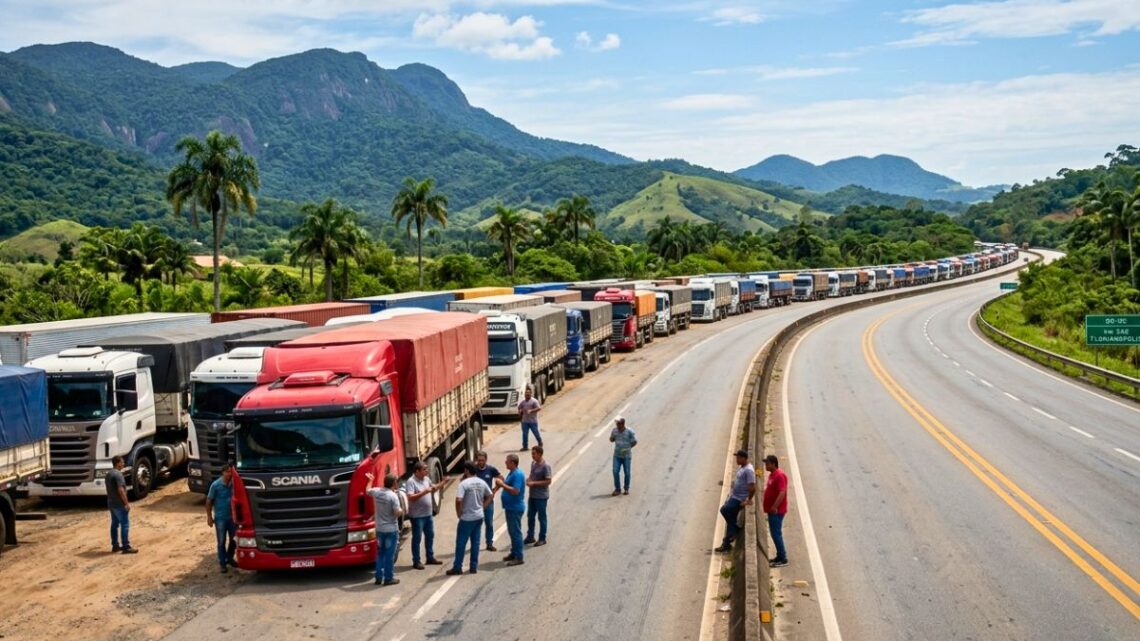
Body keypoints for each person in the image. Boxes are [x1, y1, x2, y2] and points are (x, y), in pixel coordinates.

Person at [447, 461, 494, 576]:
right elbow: (490, 495)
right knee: (475, 542)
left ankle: (458, 567)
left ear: (467, 471)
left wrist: (459, 513)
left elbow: (458, 500)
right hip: (478, 516)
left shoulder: (464, 484)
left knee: (461, 543)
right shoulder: (481, 482)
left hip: (467, 518)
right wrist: (483, 507)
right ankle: (473, 566)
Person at [402, 462, 449, 569]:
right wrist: (423, 492)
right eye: (424, 469)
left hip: (428, 514)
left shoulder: (426, 479)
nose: (427, 471)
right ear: (417, 471)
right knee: (417, 538)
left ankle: (430, 557)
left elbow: (434, 488)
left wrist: (443, 482)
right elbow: (410, 497)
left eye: (427, 469)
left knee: (430, 536)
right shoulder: (411, 482)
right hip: (417, 516)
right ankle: (416, 561)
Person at [715, 449, 756, 553]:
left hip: (739, 499)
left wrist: (748, 500)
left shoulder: (749, 470)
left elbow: (752, 487)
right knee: (730, 521)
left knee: (724, 510)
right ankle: (726, 544)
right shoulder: (742, 467)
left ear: (743, 458)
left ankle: (735, 530)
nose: (736, 459)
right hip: (734, 496)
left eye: (738, 457)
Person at [366, 471, 403, 586]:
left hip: (379, 529)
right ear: (394, 483)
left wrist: (370, 480)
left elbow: (367, 491)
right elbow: (397, 513)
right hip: (391, 530)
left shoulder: (377, 492)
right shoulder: (393, 496)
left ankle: (378, 577)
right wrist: (402, 510)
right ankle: (388, 578)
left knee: (380, 553)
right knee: (389, 555)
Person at [494, 453, 526, 566]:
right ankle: (514, 552)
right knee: (512, 532)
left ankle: (519, 556)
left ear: (513, 463)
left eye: (507, 461)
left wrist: (502, 484)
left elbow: (515, 491)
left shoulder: (517, 474)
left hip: (515, 507)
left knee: (515, 532)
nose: (505, 462)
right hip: (510, 507)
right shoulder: (512, 473)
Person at [206, 462, 236, 572]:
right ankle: (222, 563)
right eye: (228, 472)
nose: (230, 474)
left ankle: (229, 557)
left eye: (231, 472)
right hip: (220, 518)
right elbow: (209, 501)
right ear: (223, 472)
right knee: (221, 541)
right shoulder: (216, 485)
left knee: (234, 540)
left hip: (232, 518)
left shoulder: (234, 484)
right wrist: (209, 517)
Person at [106, 455, 137, 554]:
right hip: (119, 504)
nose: (123, 464)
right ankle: (126, 546)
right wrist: (126, 503)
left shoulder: (109, 474)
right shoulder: (118, 475)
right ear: (117, 463)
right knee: (125, 524)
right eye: (122, 462)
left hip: (111, 503)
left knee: (114, 524)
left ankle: (115, 545)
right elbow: (121, 490)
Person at [762, 454, 789, 567]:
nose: (765, 466)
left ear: (773, 464)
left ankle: (783, 558)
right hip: (771, 510)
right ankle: (779, 555)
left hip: (777, 511)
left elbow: (782, 492)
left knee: (776, 534)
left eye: (767, 464)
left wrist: (774, 506)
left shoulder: (779, 476)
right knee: (774, 533)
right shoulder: (772, 475)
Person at [524, 445, 553, 546]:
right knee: (530, 516)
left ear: (540, 454)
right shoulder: (533, 464)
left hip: (541, 496)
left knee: (541, 517)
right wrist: (528, 480)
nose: (532, 456)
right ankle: (530, 536)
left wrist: (534, 483)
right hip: (532, 495)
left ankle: (542, 538)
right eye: (532, 453)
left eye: (534, 454)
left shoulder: (545, 466)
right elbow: (532, 475)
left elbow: (548, 481)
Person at [473, 451, 502, 552]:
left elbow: (501, 478)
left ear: (486, 460)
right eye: (479, 460)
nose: (480, 462)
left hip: (488, 501)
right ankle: (474, 544)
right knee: (476, 524)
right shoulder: (473, 469)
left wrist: (494, 490)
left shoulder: (491, 469)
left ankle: (489, 543)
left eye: (482, 460)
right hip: (476, 502)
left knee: (489, 523)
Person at [609, 416, 637, 496]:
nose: (617, 425)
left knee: (627, 473)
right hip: (617, 455)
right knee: (615, 471)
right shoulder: (614, 431)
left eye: (619, 424)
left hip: (626, 456)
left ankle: (626, 488)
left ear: (623, 424)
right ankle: (617, 489)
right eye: (617, 424)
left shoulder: (629, 432)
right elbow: (611, 439)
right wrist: (613, 438)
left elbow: (635, 441)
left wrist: (628, 448)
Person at [517, 386, 542, 451]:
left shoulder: (534, 401)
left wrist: (531, 410)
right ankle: (525, 446)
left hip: (533, 421)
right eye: (526, 394)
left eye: (528, 393)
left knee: (535, 433)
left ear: (531, 394)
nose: (527, 395)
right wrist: (519, 412)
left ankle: (540, 442)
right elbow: (519, 407)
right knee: (525, 434)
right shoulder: (523, 402)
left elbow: (539, 408)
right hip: (525, 421)